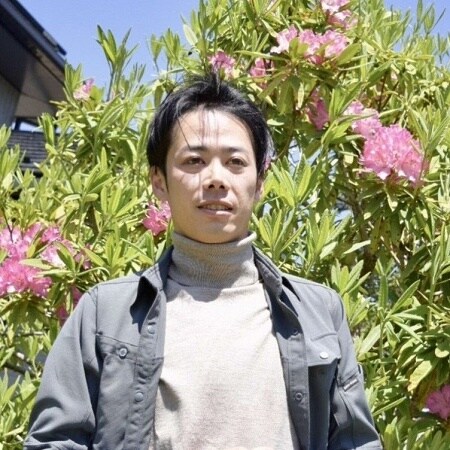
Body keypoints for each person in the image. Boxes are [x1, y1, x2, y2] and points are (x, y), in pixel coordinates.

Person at [25, 75, 382, 450]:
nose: (215, 179)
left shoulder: (318, 312)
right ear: (159, 180)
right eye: (194, 161)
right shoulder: (105, 313)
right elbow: (55, 441)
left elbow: (355, 443)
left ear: (260, 182)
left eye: (235, 162)